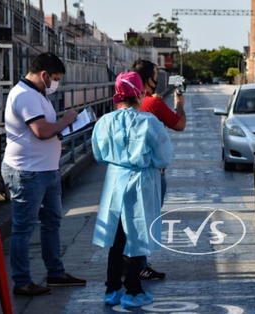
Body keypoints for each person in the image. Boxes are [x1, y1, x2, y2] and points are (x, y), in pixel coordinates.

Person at [1, 52, 87, 296]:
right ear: (44, 75)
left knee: (52, 223)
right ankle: (22, 281)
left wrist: (63, 128)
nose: (56, 84)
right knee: (23, 228)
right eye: (56, 79)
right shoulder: (25, 96)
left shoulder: (38, 94)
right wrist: (68, 119)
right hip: (27, 172)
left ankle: (56, 273)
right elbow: (40, 131)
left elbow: (47, 130)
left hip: (46, 169)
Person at [92, 72, 173, 308]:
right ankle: (134, 290)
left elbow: (98, 155)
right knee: (138, 236)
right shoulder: (149, 122)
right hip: (141, 181)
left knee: (116, 238)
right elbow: (163, 157)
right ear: (140, 93)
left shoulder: (105, 121)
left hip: (116, 180)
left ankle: (112, 289)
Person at [130, 59, 186, 280]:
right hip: (152, 173)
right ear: (149, 80)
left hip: (128, 171)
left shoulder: (126, 103)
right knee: (147, 220)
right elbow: (179, 124)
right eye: (155, 75)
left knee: (132, 219)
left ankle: (130, 263)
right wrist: (179, 103)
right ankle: (140, 266)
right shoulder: (153, 103)